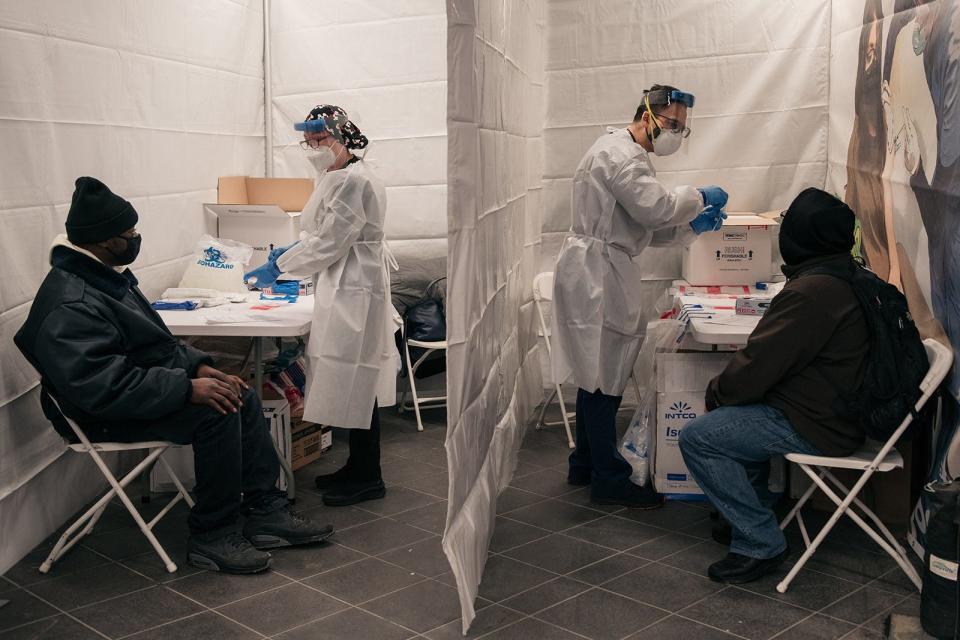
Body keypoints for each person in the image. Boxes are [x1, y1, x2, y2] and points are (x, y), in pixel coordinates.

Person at [14, 177, 332, 575]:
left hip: (133, 391)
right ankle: (212, 535)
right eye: (129, 233)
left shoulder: (105, 280)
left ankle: (265, 509)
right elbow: (101, 387)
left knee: (238, 391)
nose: (135, 239)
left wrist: (199, 367)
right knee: (217, 410)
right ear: (103, 240)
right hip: (96, 415)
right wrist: (187, 389)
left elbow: (158, 346)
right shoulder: (71, 304)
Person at [678, 187, 871, 584]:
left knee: (700, 437)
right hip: (836, 412)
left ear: (803, 236)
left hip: (819, 424)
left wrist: (717, 393)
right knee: (736, 415)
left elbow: (758, 365)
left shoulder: (811, 292)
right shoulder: (843, 276)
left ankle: (760, 542)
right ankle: (752, 512)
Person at [551, 84, 728, 509]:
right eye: (671, 124)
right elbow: (656, 209)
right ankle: (608, 479)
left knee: (595, 369)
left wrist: (692, 228)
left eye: (681, 129)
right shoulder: (621, 156)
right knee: (604, 373)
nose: (674, 134)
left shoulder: (619, 151)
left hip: (599, 267)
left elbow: (645, 223)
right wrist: (700, 196)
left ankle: (585, 462)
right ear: (647, 116)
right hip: (599, 275)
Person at [245, 105, 399, 507]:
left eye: (320, 139)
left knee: (357, 378)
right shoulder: (334, 175)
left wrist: (279, 265)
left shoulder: (353, 180)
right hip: (344, 281)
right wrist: (291, 254)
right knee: (347, 375)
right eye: (309, 141)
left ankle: (369, 476)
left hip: (355, 287)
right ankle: (358, 467)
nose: (313, 147)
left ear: (343, 137)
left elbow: (330, 242)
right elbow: (321, 233)